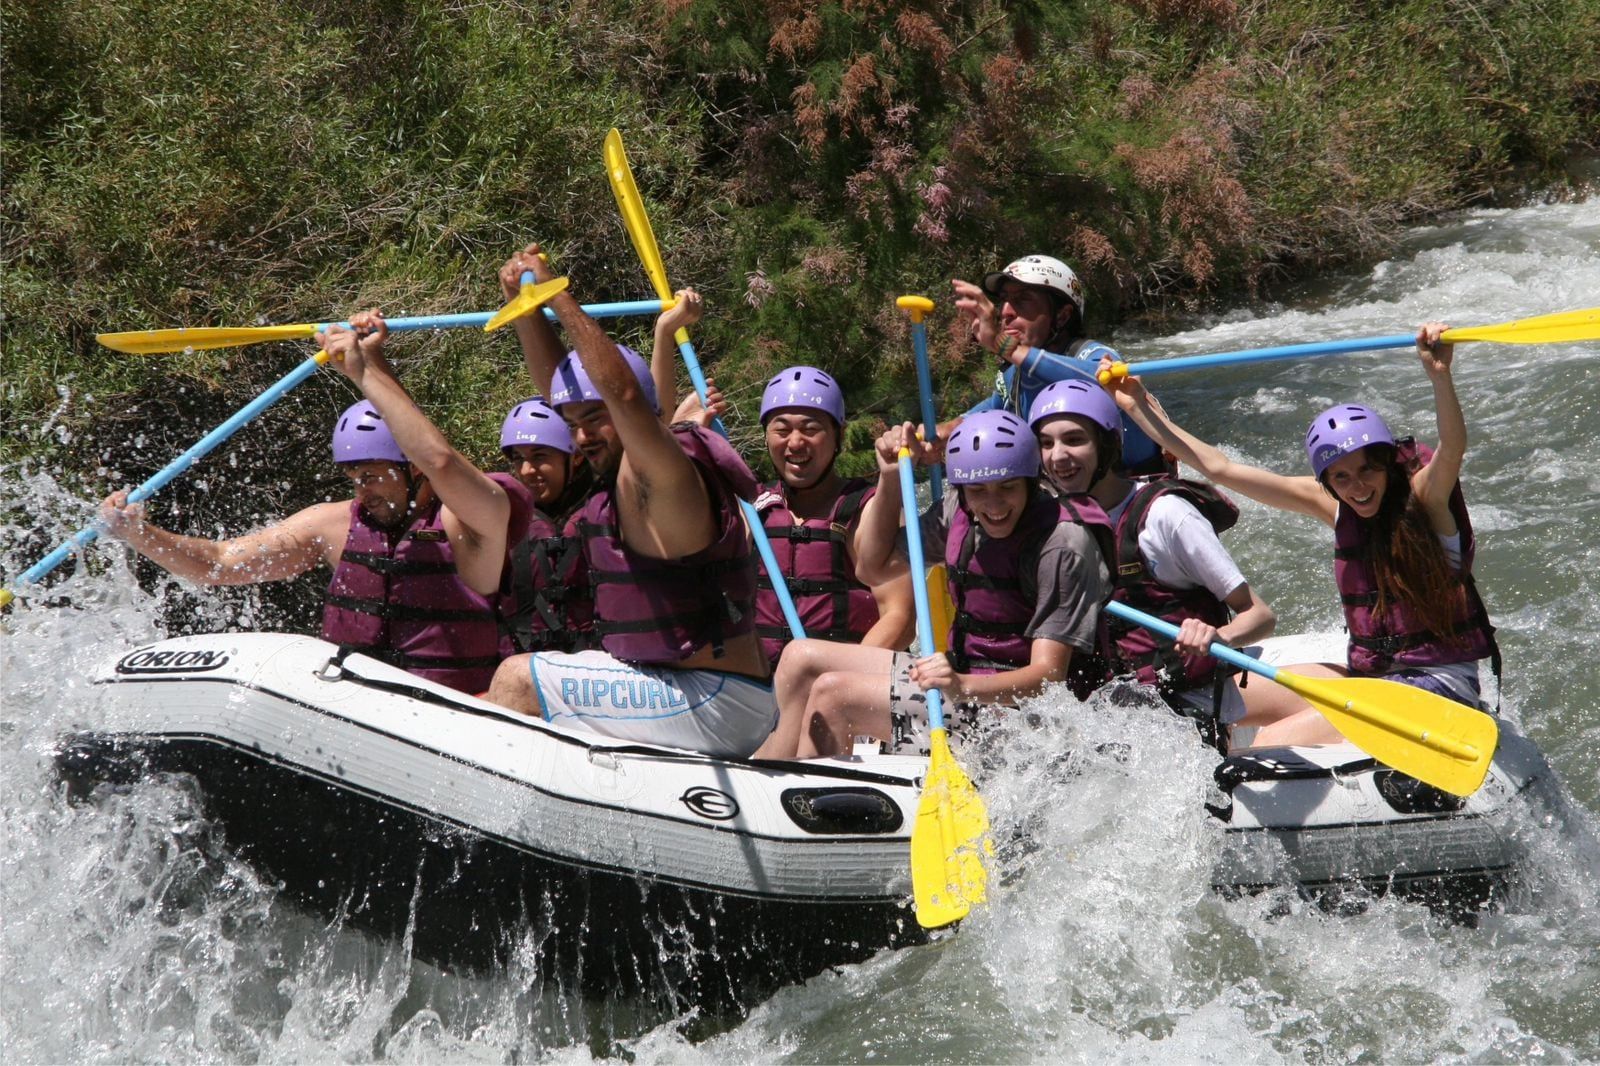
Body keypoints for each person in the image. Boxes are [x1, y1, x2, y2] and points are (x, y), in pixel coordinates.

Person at [1101, 323, 1501, 746]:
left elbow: (1452, 447)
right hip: (1374, 679)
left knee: (1263, 745)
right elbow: (1220, 468)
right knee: (1220, 699)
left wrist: (1440, 376)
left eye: (1368, 469)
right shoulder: (1334, 504)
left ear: (1386, 464)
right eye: (1342, 477)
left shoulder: (1425, 500)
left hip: (1438, 687)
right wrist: (1138, 406)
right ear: (1328, 481)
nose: (1358, 487)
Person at [99, 311, 532, 694]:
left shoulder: (473, 525)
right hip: (353, 708)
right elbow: (219, 564)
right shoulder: (332, 526)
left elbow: (439, 459)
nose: (363, 491)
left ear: (413, 472)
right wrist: (139, 533)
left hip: (450, 718)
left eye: (374, 476)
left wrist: (364, 372)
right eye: (354, 478)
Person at [485, 259, 776, 758]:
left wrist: (558, 296)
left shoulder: (663, 472)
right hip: (682, 687)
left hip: (715, 699)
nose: (580, 436)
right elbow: (570, 392)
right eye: (571, 423)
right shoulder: (619, 470)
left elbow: (618, 392)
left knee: (517, 679)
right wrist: (528, 312)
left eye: (594, 420)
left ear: (631, 412)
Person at [760, 410, 1111, 760]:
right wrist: (892, 478)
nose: (993, 504)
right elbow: (872, 568)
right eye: (978, 490)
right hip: (961, 679)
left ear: (1030, 481)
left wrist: (962, 687)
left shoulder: (1063, 544)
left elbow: (1048, 678)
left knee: (834, 696)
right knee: (800, 657)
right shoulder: (958, 510)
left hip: (1023, 716)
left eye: (1007, 487)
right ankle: (770, 769)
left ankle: (808, 800)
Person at [1028, 378, 1277, 747]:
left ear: (1106, 444)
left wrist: (1216, 636)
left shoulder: (1166, 515)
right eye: (1046, 444)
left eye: (1074, 439)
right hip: (1102, 714)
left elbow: (1260, 616)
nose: (1057, 456)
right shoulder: (1050, 520)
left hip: (1185, 716)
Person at [752, 365, 915, 673]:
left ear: (838, 435)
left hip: (847, 688)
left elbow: (901, 619)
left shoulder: (869, 509)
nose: (796, 443)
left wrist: (834, 686)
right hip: (762, 692)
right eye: (782, 430)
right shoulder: (753, 511)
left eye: (811, 429)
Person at [948, 253, 1166, 474]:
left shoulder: (1096, 355)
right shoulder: (1014, 374)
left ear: (1062, 316)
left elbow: (1105, 383)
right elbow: (994, 408)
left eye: (1022, 300)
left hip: (1133, 495)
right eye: (1004, 300)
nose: (1005, 312)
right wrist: (946, 432)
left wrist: (1002, 344)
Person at [497, 396, 594, 656]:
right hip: (526, 674)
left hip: (597, 675)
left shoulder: (607, 510)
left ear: (575, 458)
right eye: (518, 459)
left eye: (540, 456)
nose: (527, 470)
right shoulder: (502, 520)